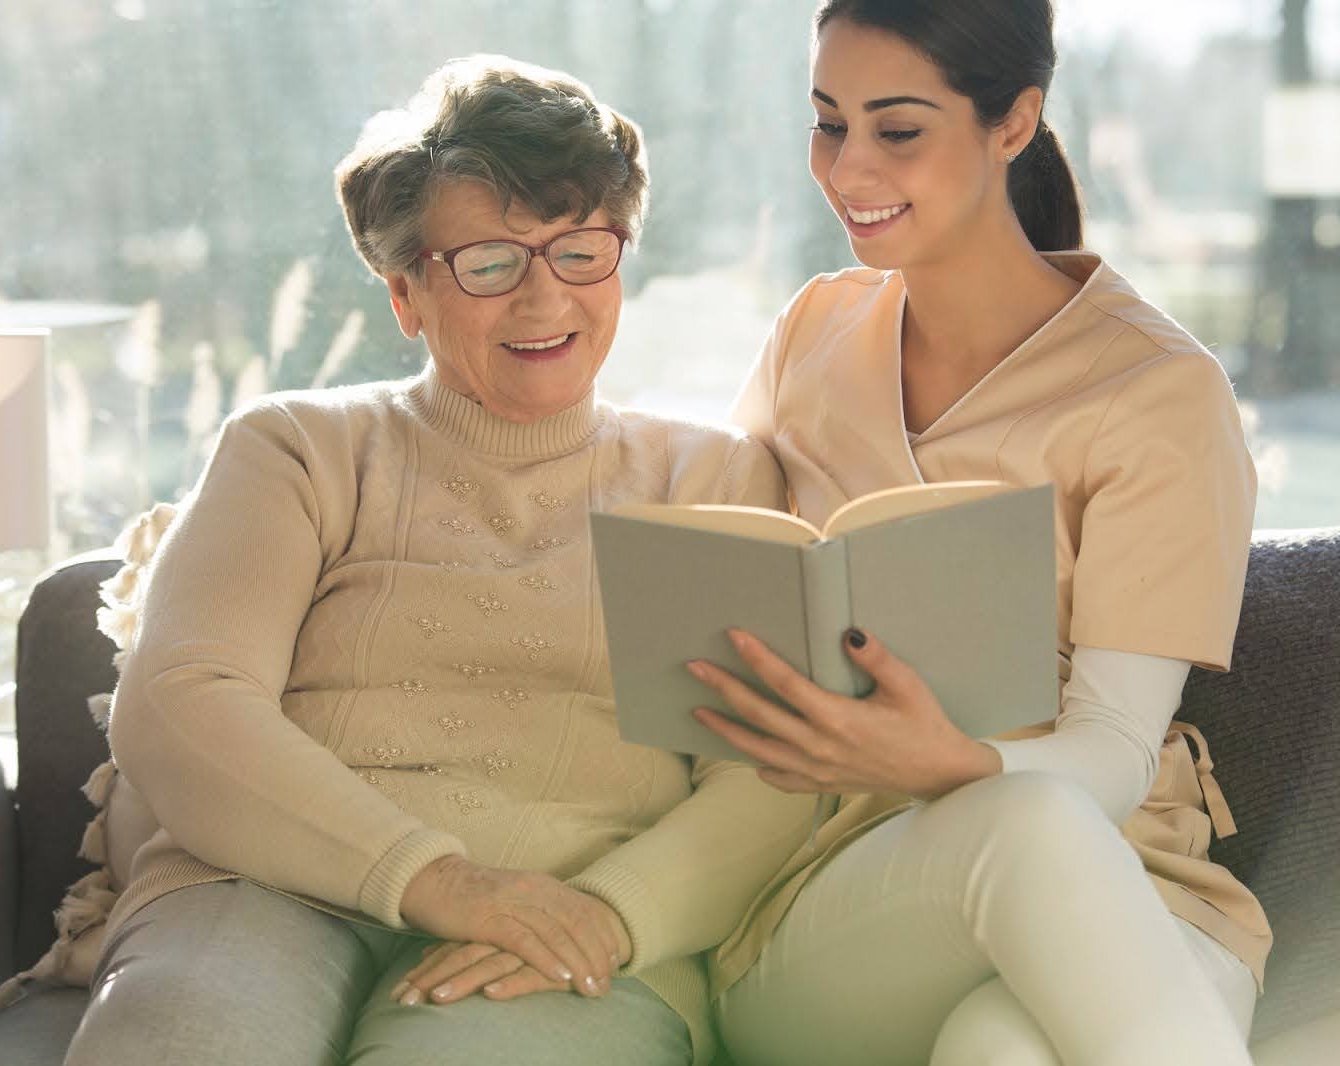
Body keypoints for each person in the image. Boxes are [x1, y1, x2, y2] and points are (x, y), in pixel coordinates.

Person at [63, 55, 812, 1066]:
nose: (545, 297)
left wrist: (610, 915)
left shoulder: (708, 477)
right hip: (262, 888)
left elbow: (770, 770)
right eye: (492, 263)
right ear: (406, 293)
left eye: (581, 250)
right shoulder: (295, 447)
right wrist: (441, 881)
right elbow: (184, 697)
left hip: (571, 924)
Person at [687, 3, 1270, 1065]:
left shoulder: (1156, 392)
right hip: (843, 907)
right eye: (827, 123)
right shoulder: (810, 335)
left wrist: (949, 759)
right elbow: (716, 585)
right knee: (1029, 827)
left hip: (1145, 891)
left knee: (998, 1046)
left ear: (1014, 122)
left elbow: (1113, 752)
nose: (847, 166)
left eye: (896, 129)